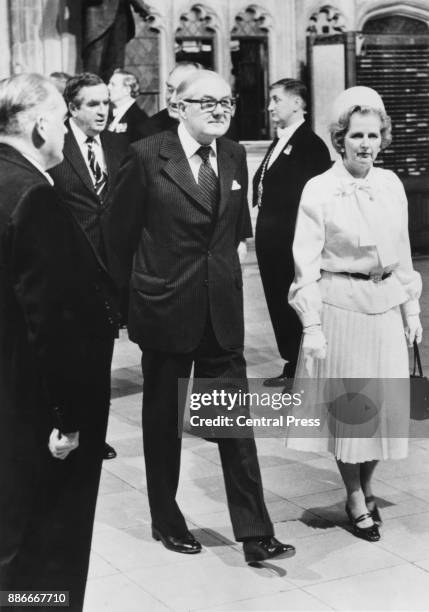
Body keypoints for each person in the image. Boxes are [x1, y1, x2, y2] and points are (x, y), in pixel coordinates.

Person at [122, 70, 295, 563]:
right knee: (164, 422)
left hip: (220, 311)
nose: (220, 110)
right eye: (207, 102)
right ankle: (165, 517)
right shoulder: (145, 156)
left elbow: (236, 231)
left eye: (227, 101)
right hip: (165, 308)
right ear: (177, 106)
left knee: (233, 421)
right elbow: (118, 238)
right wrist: (128, 305)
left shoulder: (236, 154)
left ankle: (255, 532)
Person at [287, 86, 422, 542]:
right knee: (351, 413)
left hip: (383, 307)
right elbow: (304, 261)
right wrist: (312, 325)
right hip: (340, 306)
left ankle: (367, 487)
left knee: (380, 410)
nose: (365, 144)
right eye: (356, 135)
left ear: (382, 138)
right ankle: (354, 496)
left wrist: (411, 309)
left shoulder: (390, 185)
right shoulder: (320, 189)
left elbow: (401, 253)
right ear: (340, 138)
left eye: (373, 135)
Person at [0, 73, 110, 611]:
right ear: (41, 124)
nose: (67, 135)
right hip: (34, 406)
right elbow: (50, 322)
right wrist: (68, 418)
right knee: (48, 541)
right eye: (63, 122)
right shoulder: (33, 197)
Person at [49, 72, 131, 461]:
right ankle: (67, 427)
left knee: (102, 363)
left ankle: (95, 436)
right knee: (68, 361)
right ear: (72, 108)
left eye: (106, 102)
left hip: (109, 273)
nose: (103, 110)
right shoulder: (54, 148)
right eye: (93, 104)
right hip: (68, 274)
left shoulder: (118, 145)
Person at [253, 78, 331, 387]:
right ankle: (292, 363)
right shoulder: (281, 140)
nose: (270, 106)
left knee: (296, 299)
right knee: (277, 301)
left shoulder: (310, 145)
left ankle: (306, 368)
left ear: (297, 103)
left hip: (292, 239)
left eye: (276, 99)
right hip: (272, 239)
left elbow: (315, 200)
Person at [82, 0, 149, 82]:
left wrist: (141, 7)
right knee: (94, 67)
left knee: (115, 69)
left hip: (120, 14)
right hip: (97, 16)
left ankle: (112, 92)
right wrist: (141, 6)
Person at [139, 61, 202, 137]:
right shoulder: (149, 131)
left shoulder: (214, 124)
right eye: (170, 90)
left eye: (181, 91)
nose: (172, 100)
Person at [107, 68, 148, 142]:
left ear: (127, 90)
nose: (108, 87)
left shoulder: (138, 119)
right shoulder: (109, 115)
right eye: (109, 83)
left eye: (113, 84)